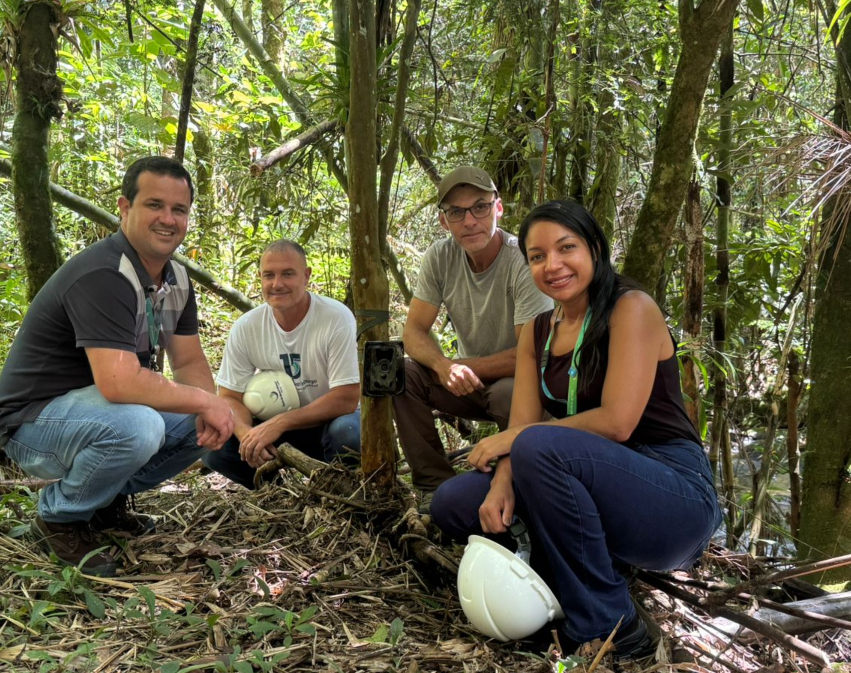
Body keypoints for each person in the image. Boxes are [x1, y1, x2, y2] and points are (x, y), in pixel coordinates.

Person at [430, 200, 722, 658]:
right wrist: (502, 482)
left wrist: (512, 441)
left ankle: (614, 627)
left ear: (595, 249)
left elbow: (617, 422)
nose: (553, 265)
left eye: (567, 248)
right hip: (586, 482)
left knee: (540, 446)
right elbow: (525, 424)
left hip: (672, 498)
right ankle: (567, 578)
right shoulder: (539, 331)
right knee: (454, 504)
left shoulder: (631, 308)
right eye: (538, 256)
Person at [0, 156, 235, 577]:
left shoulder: (175, 277)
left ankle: (102, 503)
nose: (168, 219)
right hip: (33, 422)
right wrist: (201, 401)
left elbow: (189, 359)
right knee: (141, 427)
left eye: (179, 210)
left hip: (94, 412)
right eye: (154, 205)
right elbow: (119, 382)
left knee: (205, 423)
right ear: (124, 208)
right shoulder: (104, 272)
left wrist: (208, 409)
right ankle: (59, 516)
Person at [395, 166, 553, 498]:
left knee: (505, 394)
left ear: (498, 208)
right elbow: (414, 332)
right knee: (402, 375)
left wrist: (461, 366)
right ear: (444, 221)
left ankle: (518, 486)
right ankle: (435, 487)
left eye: (480, 207)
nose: (470, 221)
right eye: (456, 212)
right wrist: (442, 366)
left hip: (522, 384)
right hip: (467, 383)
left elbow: (530, 353)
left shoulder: (522, 260)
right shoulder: (441, 256)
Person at [204, 240, 361, 487]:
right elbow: (229, 396)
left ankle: (336, 493)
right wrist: (248, 436)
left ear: (306, 276)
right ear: (260, 278)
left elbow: (347, 397)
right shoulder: (247, 327)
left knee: (350, 433)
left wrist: (279, 423)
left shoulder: (335, 318)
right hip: (274, 428)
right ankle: (276, 493)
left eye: (288, 274)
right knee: (215, 441)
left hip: (327, 424)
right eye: (269, 275)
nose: (277, 284)